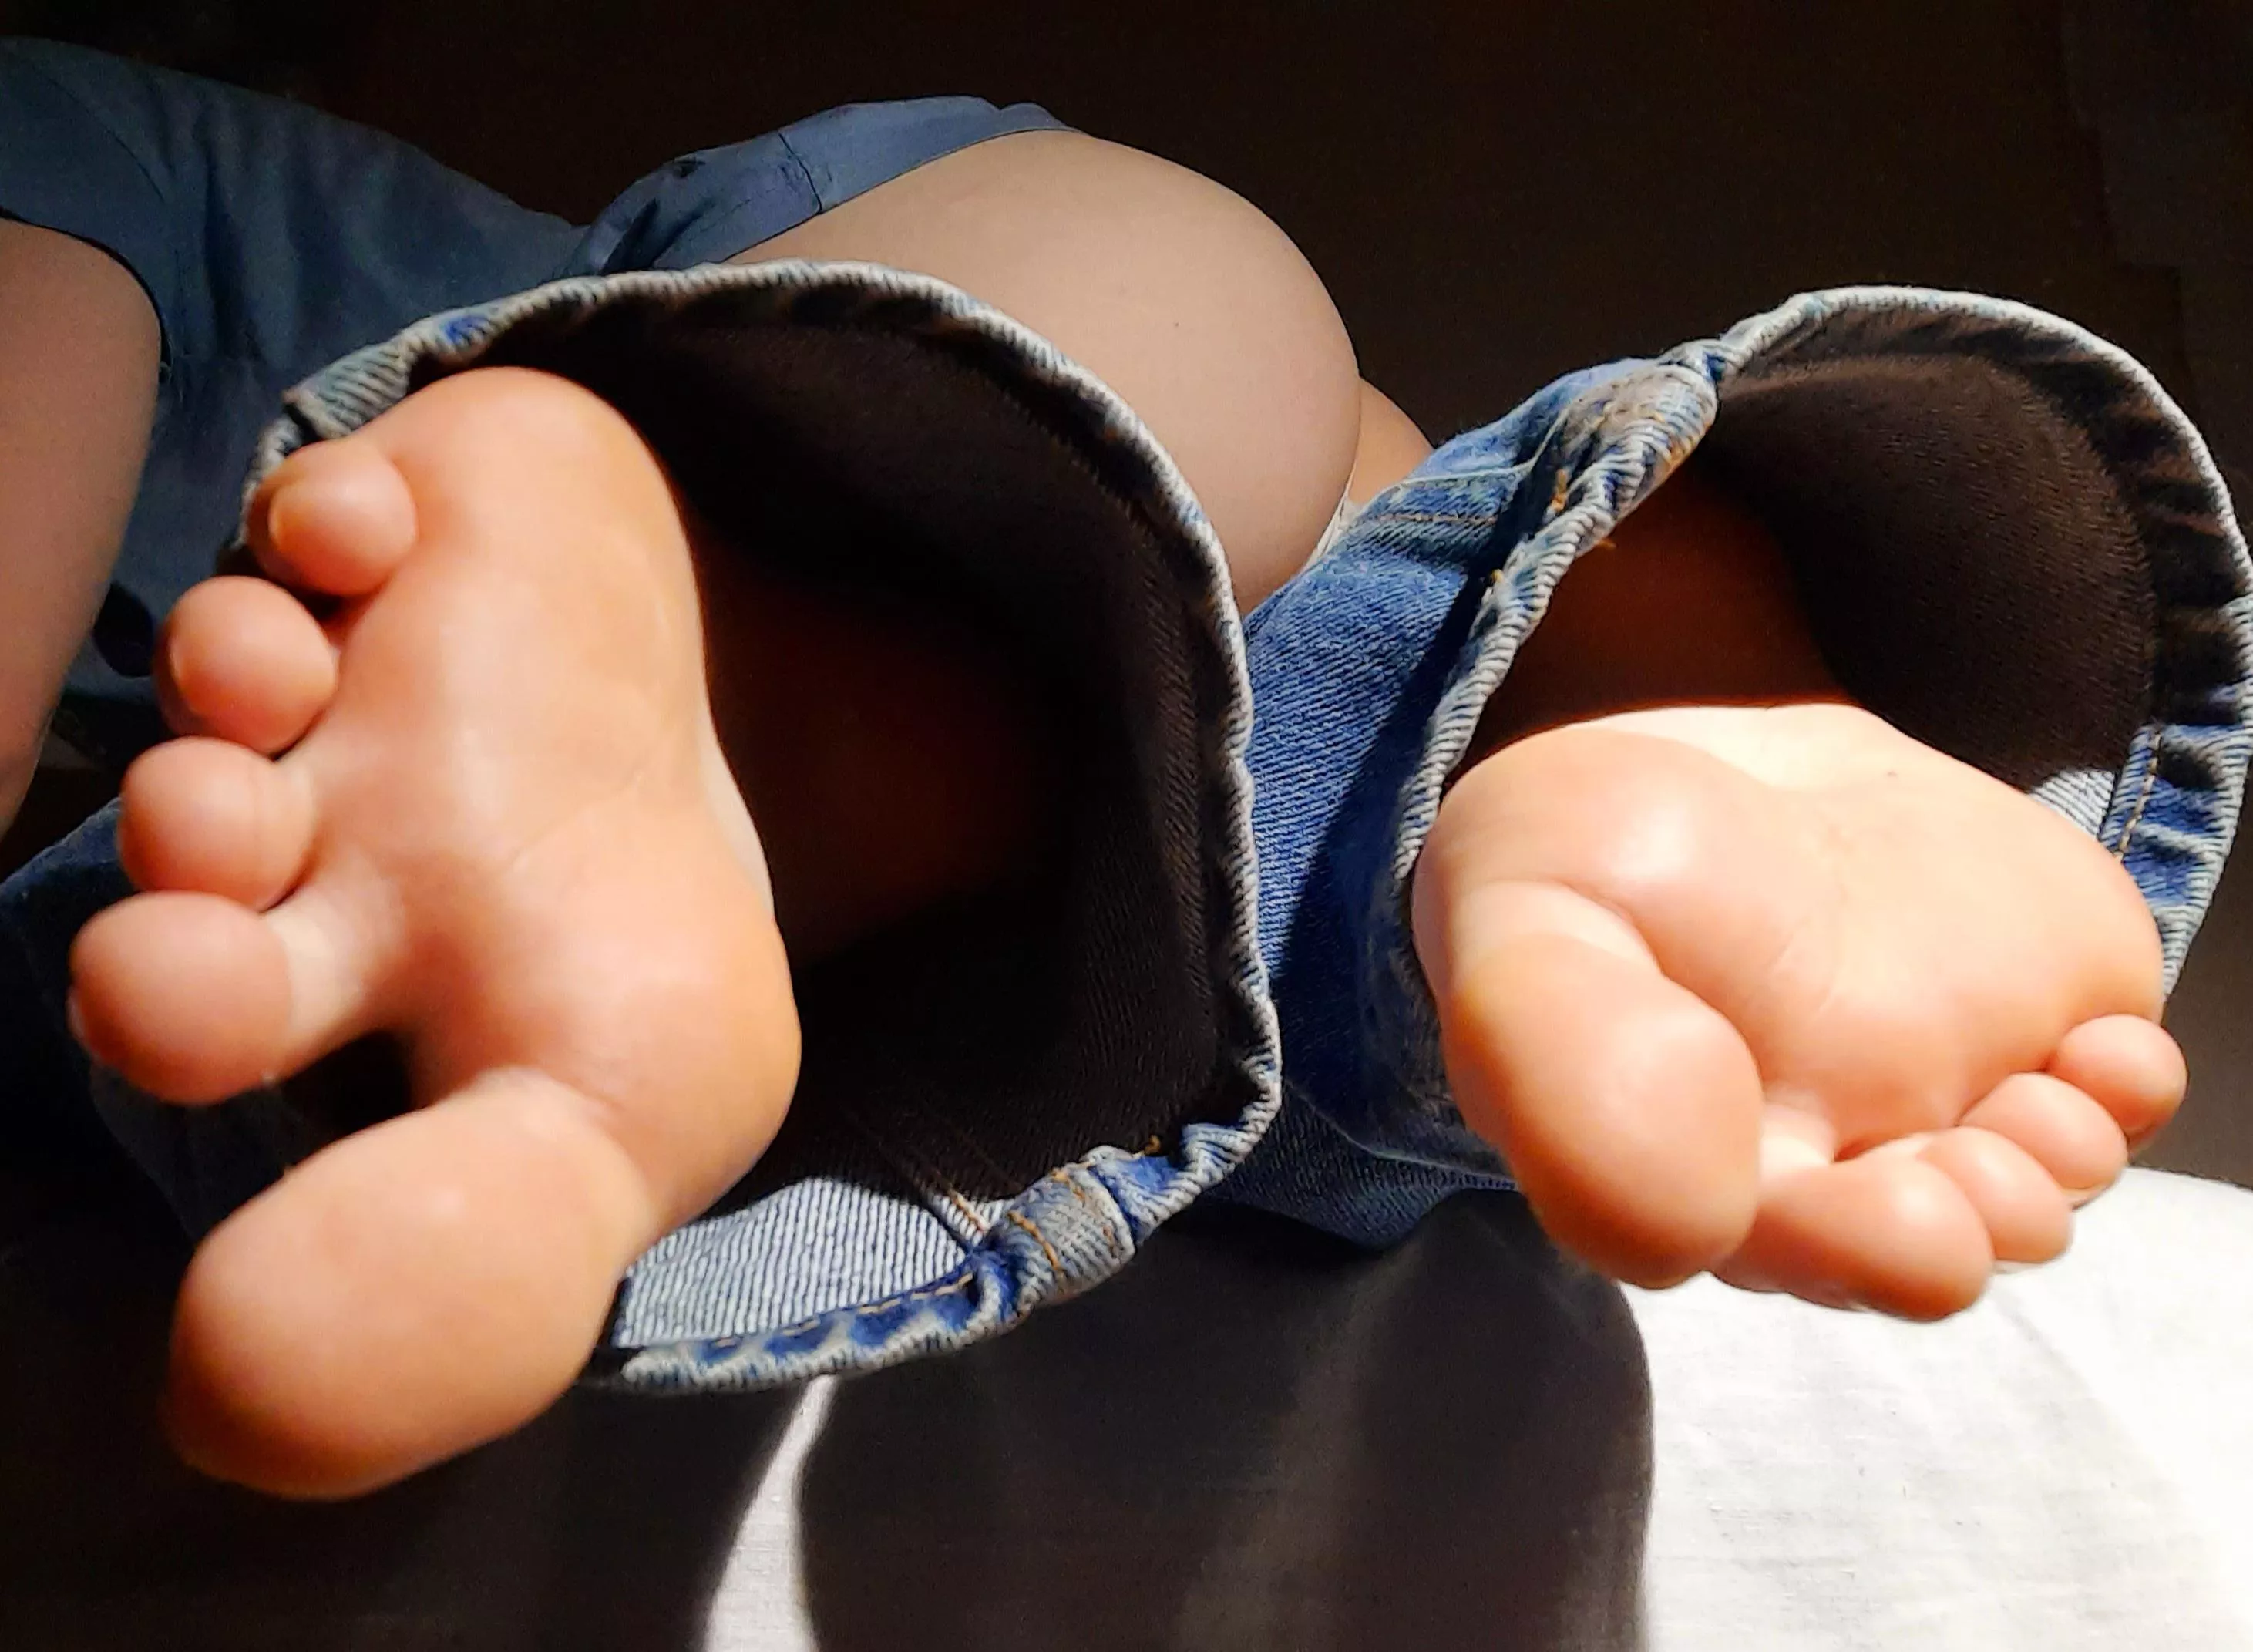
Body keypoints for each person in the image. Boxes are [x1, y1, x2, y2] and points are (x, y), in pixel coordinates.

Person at [1, 36, 2238, 1502]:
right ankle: (1559, 678)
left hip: (848, 360)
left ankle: (775, 604)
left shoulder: (60, 145)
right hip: (1068, 660)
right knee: (1234, 953)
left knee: (1151, 373)